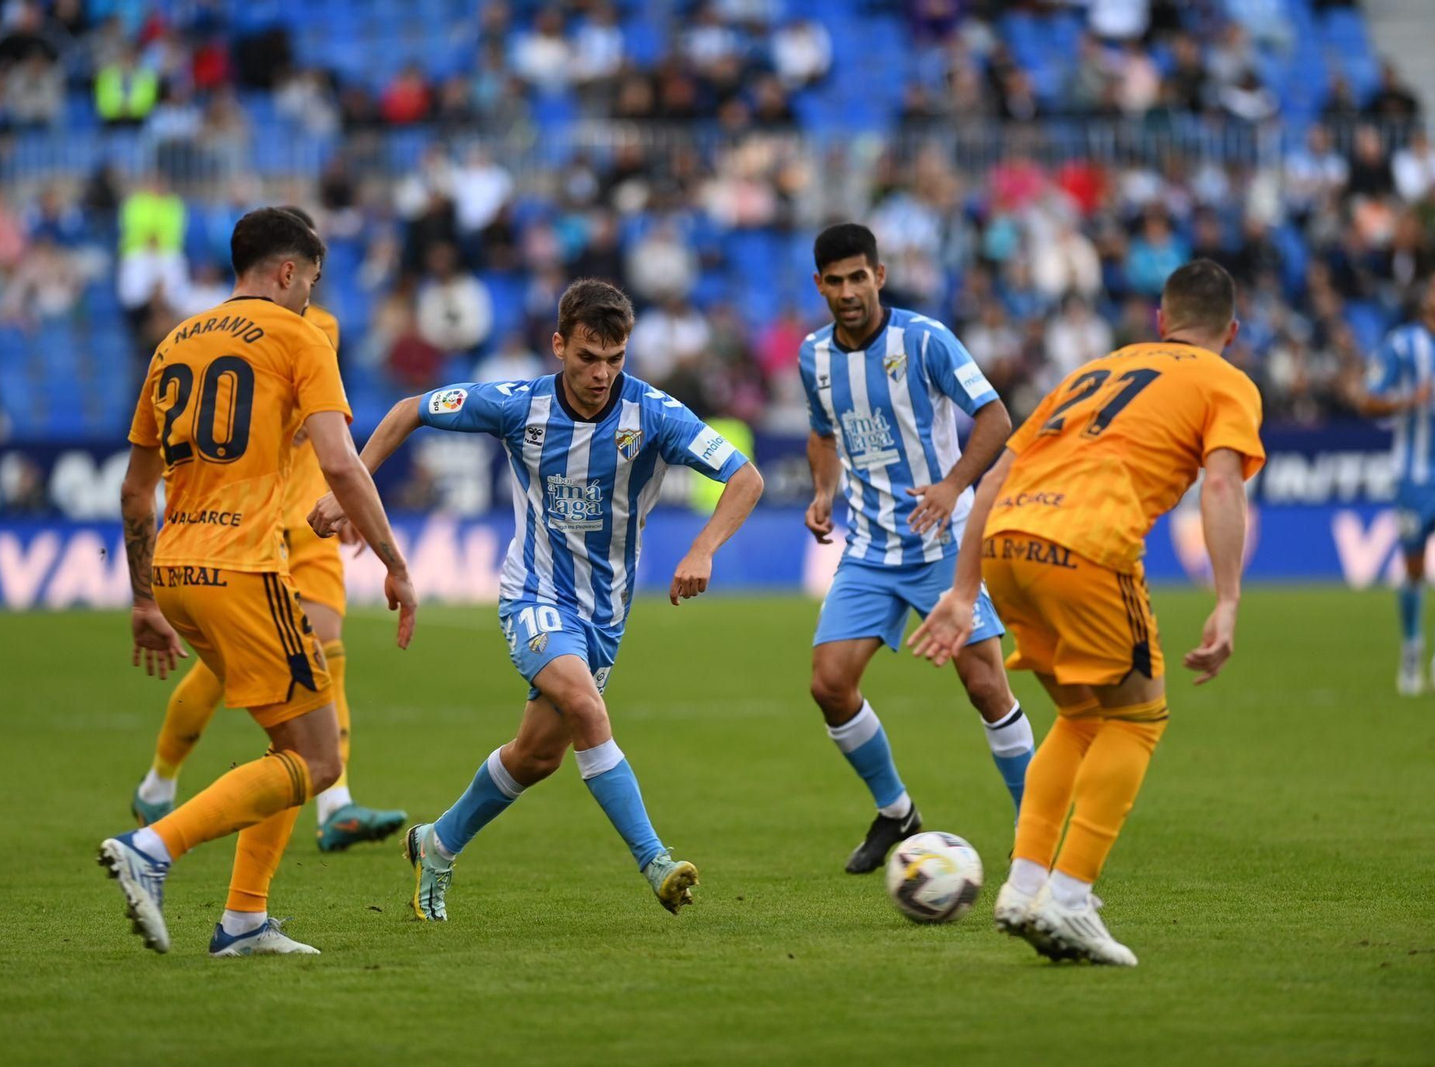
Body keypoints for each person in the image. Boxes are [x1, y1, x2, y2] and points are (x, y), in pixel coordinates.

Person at [309, 279, 764, 920]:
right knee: (585, 705)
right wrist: (350, 486)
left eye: (615, 358)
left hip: (606, 613)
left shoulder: (655, 414)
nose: (602, 373)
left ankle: (436, 844)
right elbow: (411, 408)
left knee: (536, 756)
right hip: (535, 593)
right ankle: (656, 861)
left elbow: (746, 477)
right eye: (587, 357)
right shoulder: (517, 405)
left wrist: (704, 548)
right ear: (558, 346)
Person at [909, 259, 1265, 966]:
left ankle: (1023, 886)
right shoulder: (1227, 380)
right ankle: (1069, 900)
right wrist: (1226, 599)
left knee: (1079, 717)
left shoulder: (1089, 372)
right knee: (1137, 719)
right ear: (1232, 329)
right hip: (1087, 546)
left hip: (1008, 540)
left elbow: (996, 475)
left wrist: (962, 586)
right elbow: (1222, 486)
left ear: (1160, 320)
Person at [97, 208, 417, 956]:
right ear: (286, 271)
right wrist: (394, 562)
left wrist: (144, 596)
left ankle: (243, 918)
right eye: (310, 279)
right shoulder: (299, 334)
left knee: (286, 747)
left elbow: (134, 489)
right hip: (245, 566)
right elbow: (341, 462)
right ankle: (153, 846)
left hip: (176, 569)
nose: (311, 294)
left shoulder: (174, 341)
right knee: (320, 759)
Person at [798, 223, 1030, 874]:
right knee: (829, 684)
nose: (848, 291)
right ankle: (897, 810)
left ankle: (1034, 833)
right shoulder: (812, 356)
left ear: (880, 275)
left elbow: (994, 418)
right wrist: (824, 490)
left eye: (858, 277)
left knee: (985, 684)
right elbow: (823, 432)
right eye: (834, 281)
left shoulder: (924, 340)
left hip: (944, 541)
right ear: (820, 285)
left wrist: (954, 483)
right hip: (870, 547)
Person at [1355, 278, 1435, 695]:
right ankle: (1411, 648)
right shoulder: (1405, 346)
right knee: (1414, 567)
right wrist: (1408, 401)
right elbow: (1366, 398)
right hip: (1414, 475)